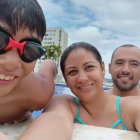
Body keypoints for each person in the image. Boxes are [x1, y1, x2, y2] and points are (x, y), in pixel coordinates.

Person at [19, 42, 140, 140]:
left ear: (102, 69)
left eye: (89, 67)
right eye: (72, 72)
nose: (82, 78)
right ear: (66, 80)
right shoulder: (64, 103)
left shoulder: (131, 107)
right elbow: (53, 120)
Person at [0, 0, 56, 123]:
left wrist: (50, 63)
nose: (11, 63)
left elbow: (49, 66)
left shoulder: (37, 93)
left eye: (31, 49)